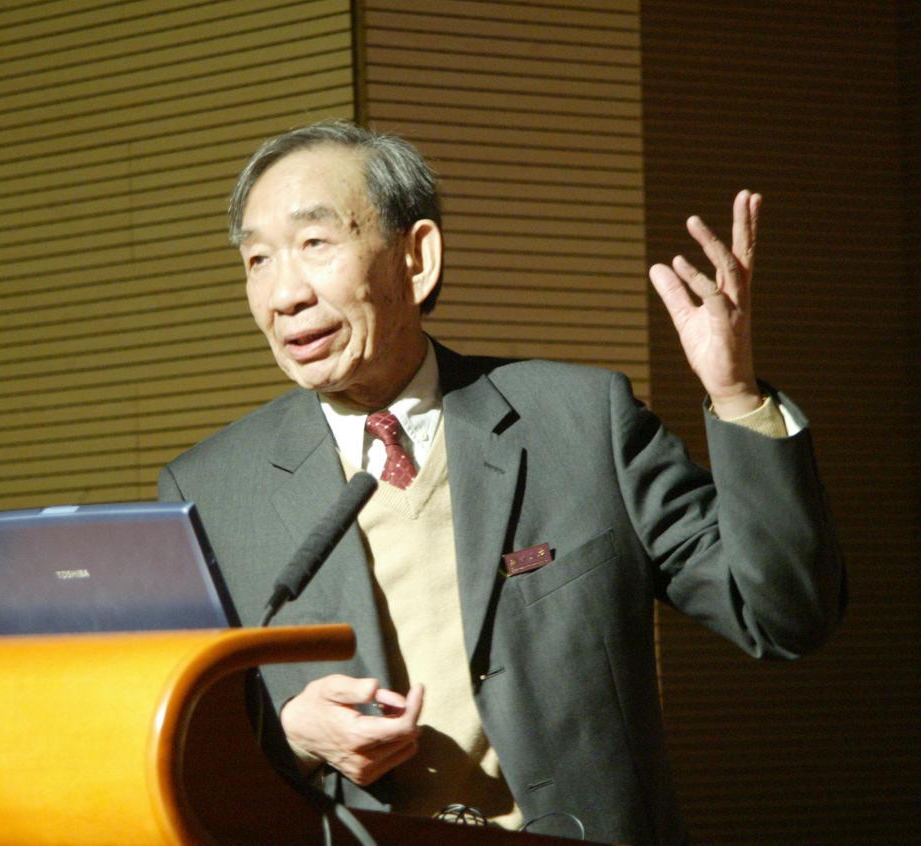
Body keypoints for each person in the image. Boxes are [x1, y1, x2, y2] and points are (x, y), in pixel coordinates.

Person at [157, 120, 845, 845]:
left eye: (314, 244)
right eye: (257, 259)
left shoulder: (581, 423)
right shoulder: (210, 490)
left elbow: (784, 615)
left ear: (417, 258)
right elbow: (175, 745)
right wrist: (288, 735)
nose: (283, 293)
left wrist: (736, 396)